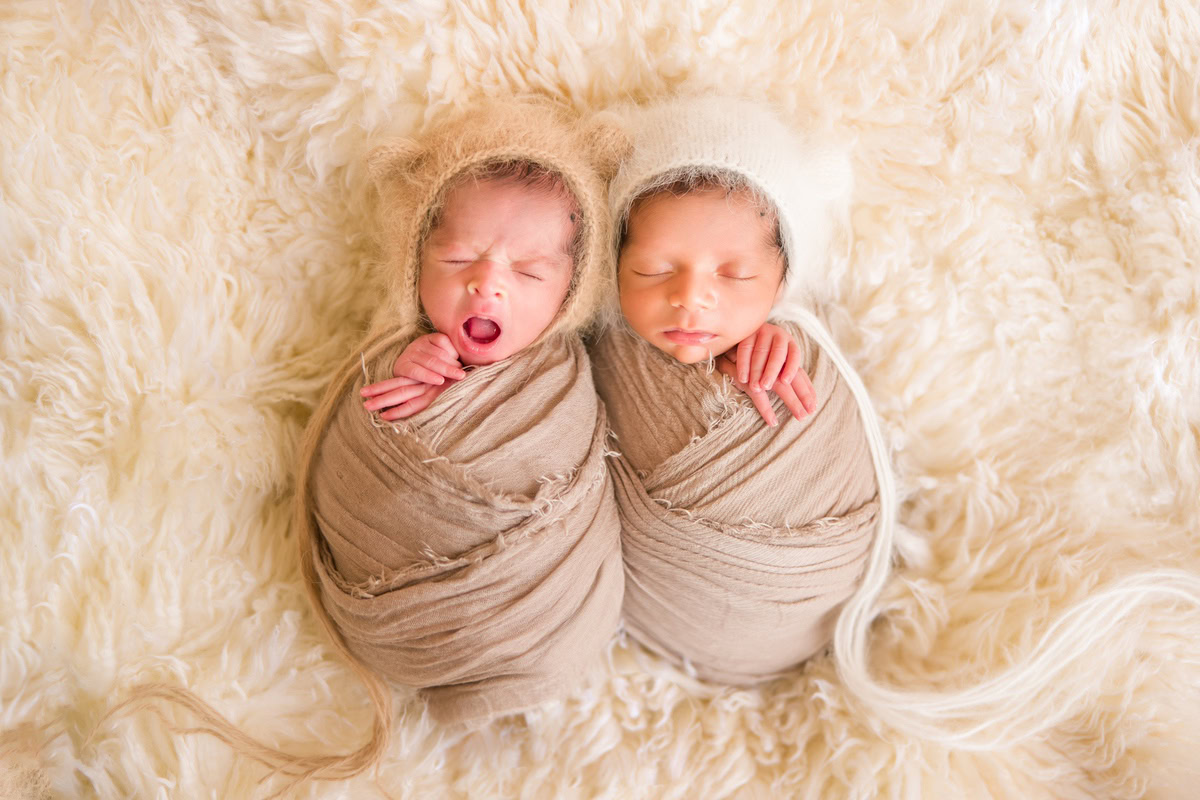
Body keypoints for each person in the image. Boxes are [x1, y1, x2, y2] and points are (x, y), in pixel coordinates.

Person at [589, 95, 886, 684]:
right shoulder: (598, 343)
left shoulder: (792, 331)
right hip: (641, 624)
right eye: (652, 270)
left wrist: (774, 334)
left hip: (813, 616)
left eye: (735, 275)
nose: (690, 298)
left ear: (782, 282)